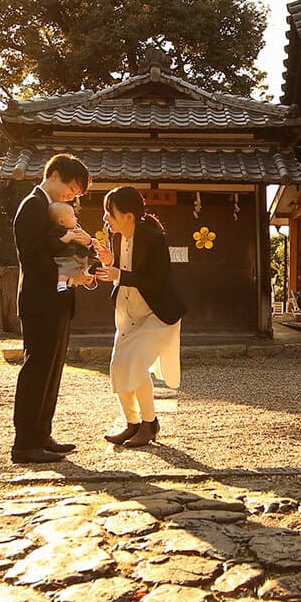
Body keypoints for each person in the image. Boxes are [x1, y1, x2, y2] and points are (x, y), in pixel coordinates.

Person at [11, 154, 93, 464]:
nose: (72, 196)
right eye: (71, 189)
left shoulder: (54, 209)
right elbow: (33, 257)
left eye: (76, 194)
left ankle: (42, 434)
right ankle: (24, 443)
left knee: (52, 371)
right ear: (55, 175)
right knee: (36, 371)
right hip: (39, 301)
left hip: (57, 301)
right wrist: (69, 275)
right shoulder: (33, 206)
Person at [94, 185, 184, 448]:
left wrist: (119, 275)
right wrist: (110, 262)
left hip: (157, 314)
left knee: (134, 365)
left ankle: (149, 424)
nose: (105, 218)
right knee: (118, 367)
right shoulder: (117, 237)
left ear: (128, 216)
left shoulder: (154, 239)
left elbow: (156, 281)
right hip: (128, 313)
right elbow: (122, 270)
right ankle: (132, 423)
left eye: (109, 212)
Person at [47, 198, 103, 284]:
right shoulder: (55, 231)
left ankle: (87, 272)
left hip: (80, 257)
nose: (76, 218)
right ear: (61, 221)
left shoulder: (76, 228)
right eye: (72, 216)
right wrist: (66, 238)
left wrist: (89, 242)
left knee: (86, 264)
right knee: (67, 268)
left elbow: (87, 246)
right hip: (66, 259)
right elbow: (53, 245)